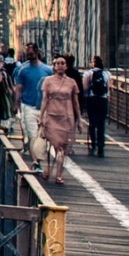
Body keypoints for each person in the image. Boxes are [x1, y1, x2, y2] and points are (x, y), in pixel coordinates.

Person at [38, 54, 82, 184]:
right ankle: (47, 169)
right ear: (54, 66)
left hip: (66, 117)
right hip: (52, 116)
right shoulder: (48, 81)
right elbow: (45, 100)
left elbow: (75, 102)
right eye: (58, 63)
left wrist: (79, 120)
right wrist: (41, 116)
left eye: (63, 63)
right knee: (51, 144)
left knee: (62, 147)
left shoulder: (72, 82)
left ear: (66, 66)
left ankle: (58, 175)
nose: (60, 65)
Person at [14, 43, 52, 157]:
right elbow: (19, 88)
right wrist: (16, 103)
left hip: (43, 107)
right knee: (31, 134)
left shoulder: (48, 70)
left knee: (43, 135)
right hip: (28, 106)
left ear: (37, 52)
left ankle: (39, 156)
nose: (29, 56)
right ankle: (35, 161)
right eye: (27, 54)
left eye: (31, 53)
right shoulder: (23, 70)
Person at [83, 55, 110, 157]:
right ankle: (101, 147)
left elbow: (85, 88)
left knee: (92, 123)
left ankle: (93, 145)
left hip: (92, 99)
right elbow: (108, 89)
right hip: (102, 100)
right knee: (101, 124)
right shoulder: (106, 74)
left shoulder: (88, 73)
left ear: (93, 63)